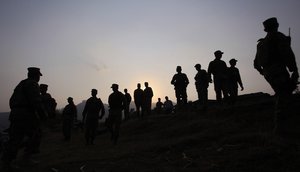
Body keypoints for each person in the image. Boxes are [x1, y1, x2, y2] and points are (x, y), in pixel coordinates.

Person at [254, 17, 299, 136]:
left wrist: (263, 72)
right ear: (277, 25)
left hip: (269, 73)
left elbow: (255, 64)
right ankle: (282, 129)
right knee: (285, 97)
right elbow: (287, 54)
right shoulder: (278, 37)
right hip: (278, 70)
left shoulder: (261, 43)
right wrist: (294, 69)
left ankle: (283, 127)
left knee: (283, 95)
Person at [1, 67, 46, 171]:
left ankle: (6, 162)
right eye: (39, 75)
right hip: (26, 115)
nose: (39, 77)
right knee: (36, 134)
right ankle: (26, 158)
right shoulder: (33, 84)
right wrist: (43, 115)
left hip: (15, 114)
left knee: (15, 138)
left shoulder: (21, 84)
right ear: (36, 75)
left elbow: (11, 100)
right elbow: (36, 102)